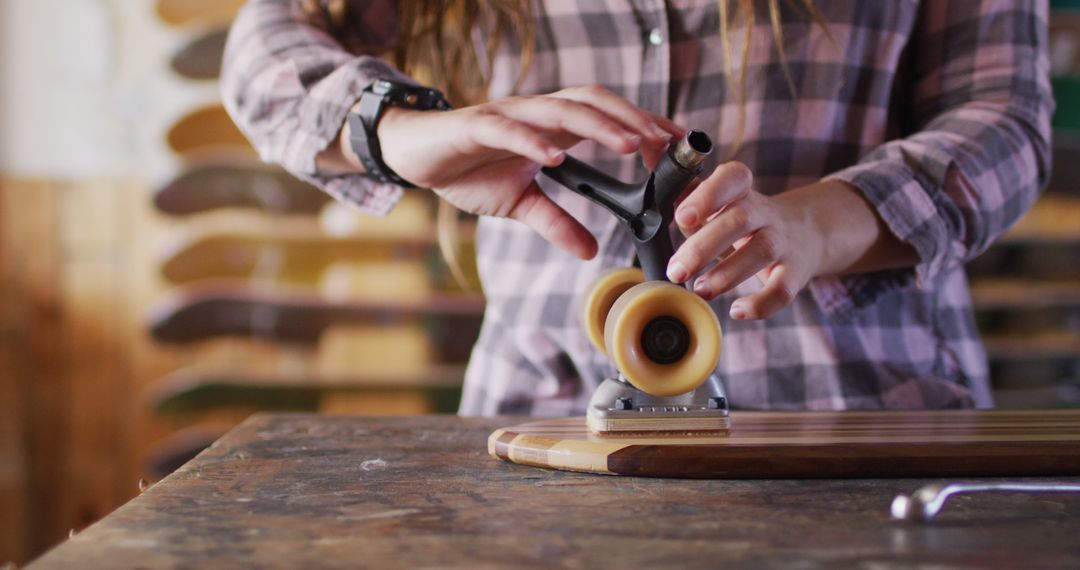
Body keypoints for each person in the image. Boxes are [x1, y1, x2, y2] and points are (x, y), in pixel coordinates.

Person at [221, 0, 1053, 415]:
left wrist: (817, 224)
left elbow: (1006, 119)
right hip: (540, 432)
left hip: (857, 417)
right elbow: (266, 42)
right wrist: (395, 130)